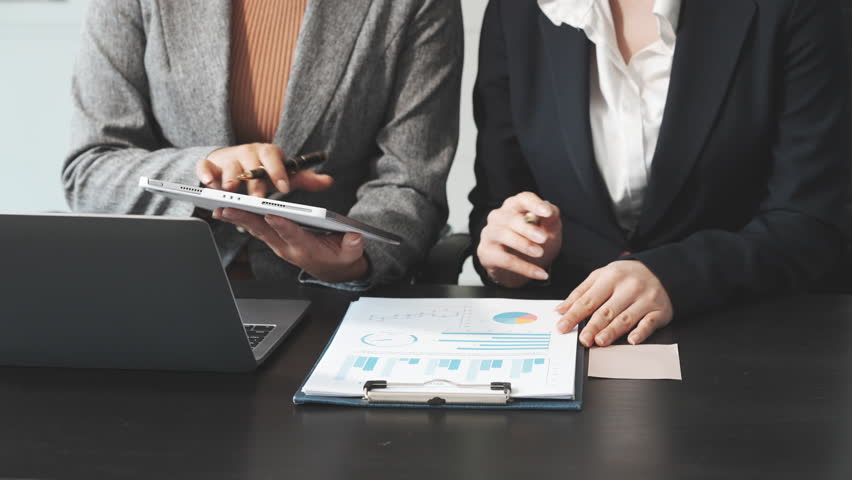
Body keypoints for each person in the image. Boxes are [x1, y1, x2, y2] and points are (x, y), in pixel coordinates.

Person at [470, 0, 850, 347]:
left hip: (748, 339)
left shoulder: (800, 9)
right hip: (570, 337)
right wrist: (514, 255)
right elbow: (497, 201)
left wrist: (674, 276)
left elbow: (811, 221)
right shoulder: (518, 9)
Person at [64, 0, 463, 288]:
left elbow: (411, 182)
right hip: (159, 295)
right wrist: (204, 171)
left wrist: (355, 260)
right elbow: (91, 169)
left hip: (328, 307)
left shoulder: (415, 6)